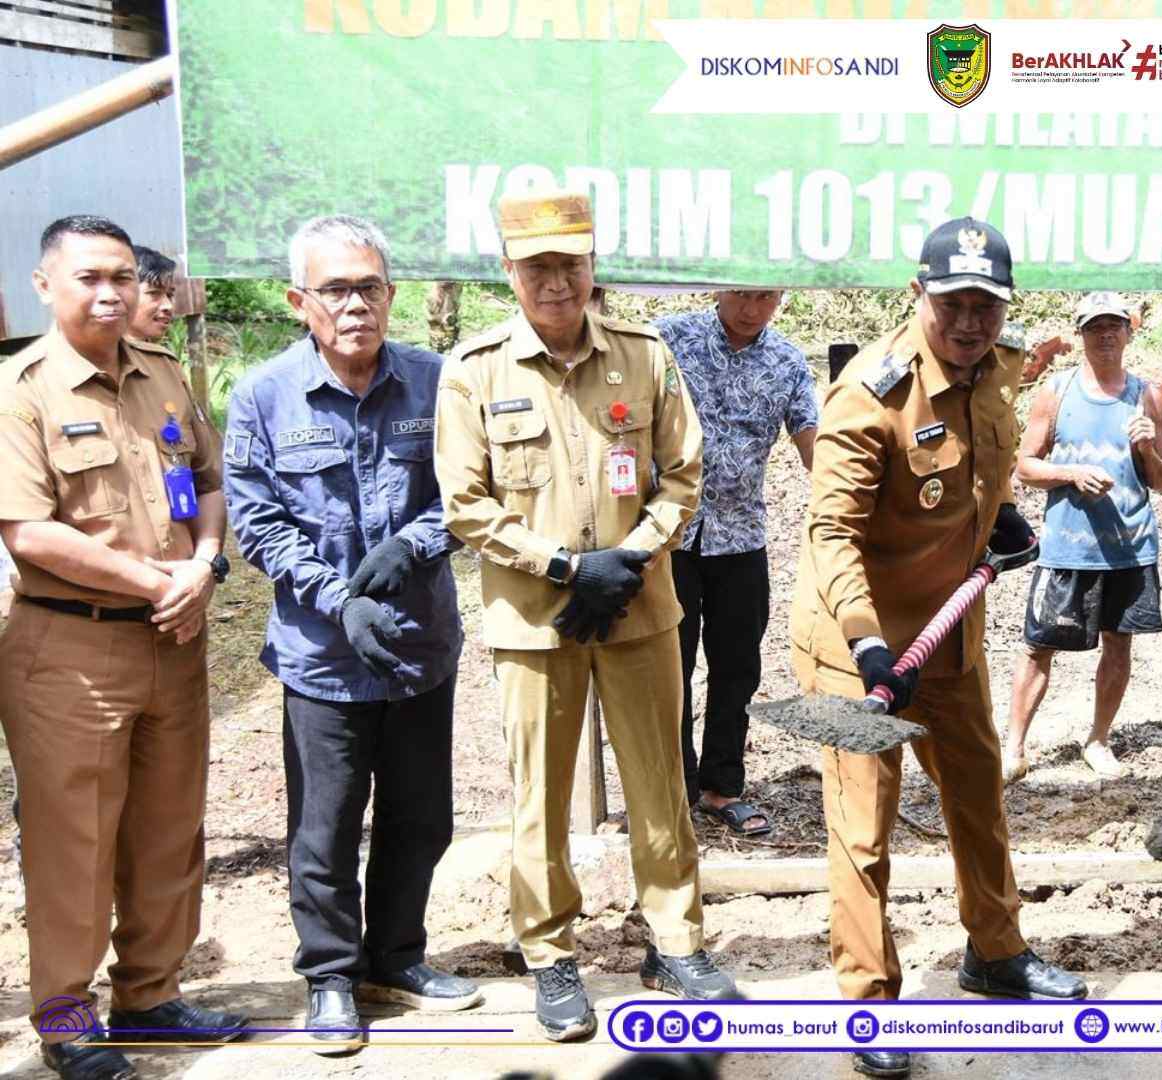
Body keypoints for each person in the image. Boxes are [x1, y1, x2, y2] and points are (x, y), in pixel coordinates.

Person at [434, 188, 738, 1044]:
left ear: (592, 263)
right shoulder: (475, 369)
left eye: (570, 263)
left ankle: (676, 943)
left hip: (640, 610)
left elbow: (682, 475)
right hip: (535, 621)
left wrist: (631, 557)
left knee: (660, 786)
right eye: (537, 267)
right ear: (509, 272)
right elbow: (464, 505)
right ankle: (550, 954)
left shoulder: (645, 356)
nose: (556, 282)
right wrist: (569, 567)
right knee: (541, 795)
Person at [790, 217, 1088, 1079]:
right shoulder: (866, 397)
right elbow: (830, 533)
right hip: (863, 653)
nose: (969, 323)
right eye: (952, 303)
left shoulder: (998, 365)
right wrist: (869, 645)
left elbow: (983, 465)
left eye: (986, 307)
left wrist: (997, 519)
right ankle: (868, 1003)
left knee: (977, 799)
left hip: (949, 636)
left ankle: (994, 953)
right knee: (864, 832)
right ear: (916, 294)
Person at [224, 215, 482, 1055]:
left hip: (418, 643)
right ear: (301, 301)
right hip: (322, 656)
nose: (354, 305)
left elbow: (472, 490)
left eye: (369, 287)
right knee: (325, 829)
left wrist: (416, 542)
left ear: (391, 295)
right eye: (334, 290)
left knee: (421, 818)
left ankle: (395, 958)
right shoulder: (264, 396)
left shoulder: (437, 382)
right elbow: (257, 522)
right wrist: (339, 598)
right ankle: (330, 977)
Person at [0, 216, 246, 1080]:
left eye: (120, 277)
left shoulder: (165, 377)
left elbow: (209, 486)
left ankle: (153, 995)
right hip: (69, 652)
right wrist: (158, 583)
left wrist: (206, 566)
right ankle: (68, 1023)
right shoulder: (21, 390)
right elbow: (28, 532)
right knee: (74, 843)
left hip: (172, 642)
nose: (109, 292)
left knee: (167, 829)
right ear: (44, 286)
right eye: (88, 278)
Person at [653, 290, 818, 837]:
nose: (752, 308)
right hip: (667, 538)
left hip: (741, 539)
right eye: (742, 294)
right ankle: (670, 787)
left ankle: (721, 788)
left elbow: (812, 441)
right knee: (666, 667)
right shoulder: (667, 340)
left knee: (737, 668)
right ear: (719, 289)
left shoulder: (787, 361)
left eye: (765, 297)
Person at [1002, 290, 1162, 782]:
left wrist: (1146, 449)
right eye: (1094, 327)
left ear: (1128, 332)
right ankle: (1013, 747)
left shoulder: (1147, 396)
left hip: (1129, 547)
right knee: (1038, 646)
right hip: (1067, 546)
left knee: (1118, 645)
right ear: (1079, 334)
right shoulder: (1056, 391)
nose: (1105, 335)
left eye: (1114, 326)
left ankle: (1099, 739)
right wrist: (1072, 473)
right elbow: (1025, 467)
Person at [128, 246, 176, 345]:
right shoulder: (96, 357)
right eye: (154, 293)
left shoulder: (162, 358)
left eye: (170, 295)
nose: (169, 306)